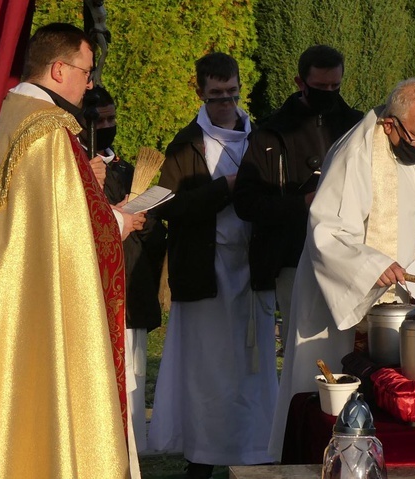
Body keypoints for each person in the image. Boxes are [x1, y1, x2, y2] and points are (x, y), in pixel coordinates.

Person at [269, 78, 415, 460]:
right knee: (330, 403)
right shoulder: (355, 153)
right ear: (390, 125)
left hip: (406, 296)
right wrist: (372, 265)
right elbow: (328, 229)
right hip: (344, 293)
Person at [0, 23, 130, 477]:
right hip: (41, 290)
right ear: (59, 69)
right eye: (85, 71)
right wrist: (120, 219)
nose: (90, 83)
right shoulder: (48, 129)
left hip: (4, 284)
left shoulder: (4, 111)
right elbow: (76, 233)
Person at [147, 52, 278, 479]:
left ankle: (257, 449)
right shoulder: (186, 145)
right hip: (206, 270)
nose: (225, 100)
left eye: (231, 92)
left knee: (252, 368)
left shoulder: (263, 138)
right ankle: (201, 456)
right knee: (205, 372)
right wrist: (225, 187)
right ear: (199, 90)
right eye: (216, 93)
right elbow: (171, 206)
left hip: (252, 267)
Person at [233, 45, 363, 352]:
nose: (329, 93)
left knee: (351, 346)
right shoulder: (270, 133)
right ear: (299, 82)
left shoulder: (357, 126)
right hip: (293, 256)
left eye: (335, 86)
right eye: (320, 87)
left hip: (349, 254)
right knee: (302, 345)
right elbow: (246, 202)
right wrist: (302, 203)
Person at [91, 86, 167, 456]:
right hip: (95, 288)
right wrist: (116, 218)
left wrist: (144, 220)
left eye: (111, 118)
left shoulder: (125, 170)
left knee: (134, 376)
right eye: (99, 120)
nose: (107, 126)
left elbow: (155, 239)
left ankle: (131, 449)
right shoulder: (77, 169)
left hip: (132, 286)